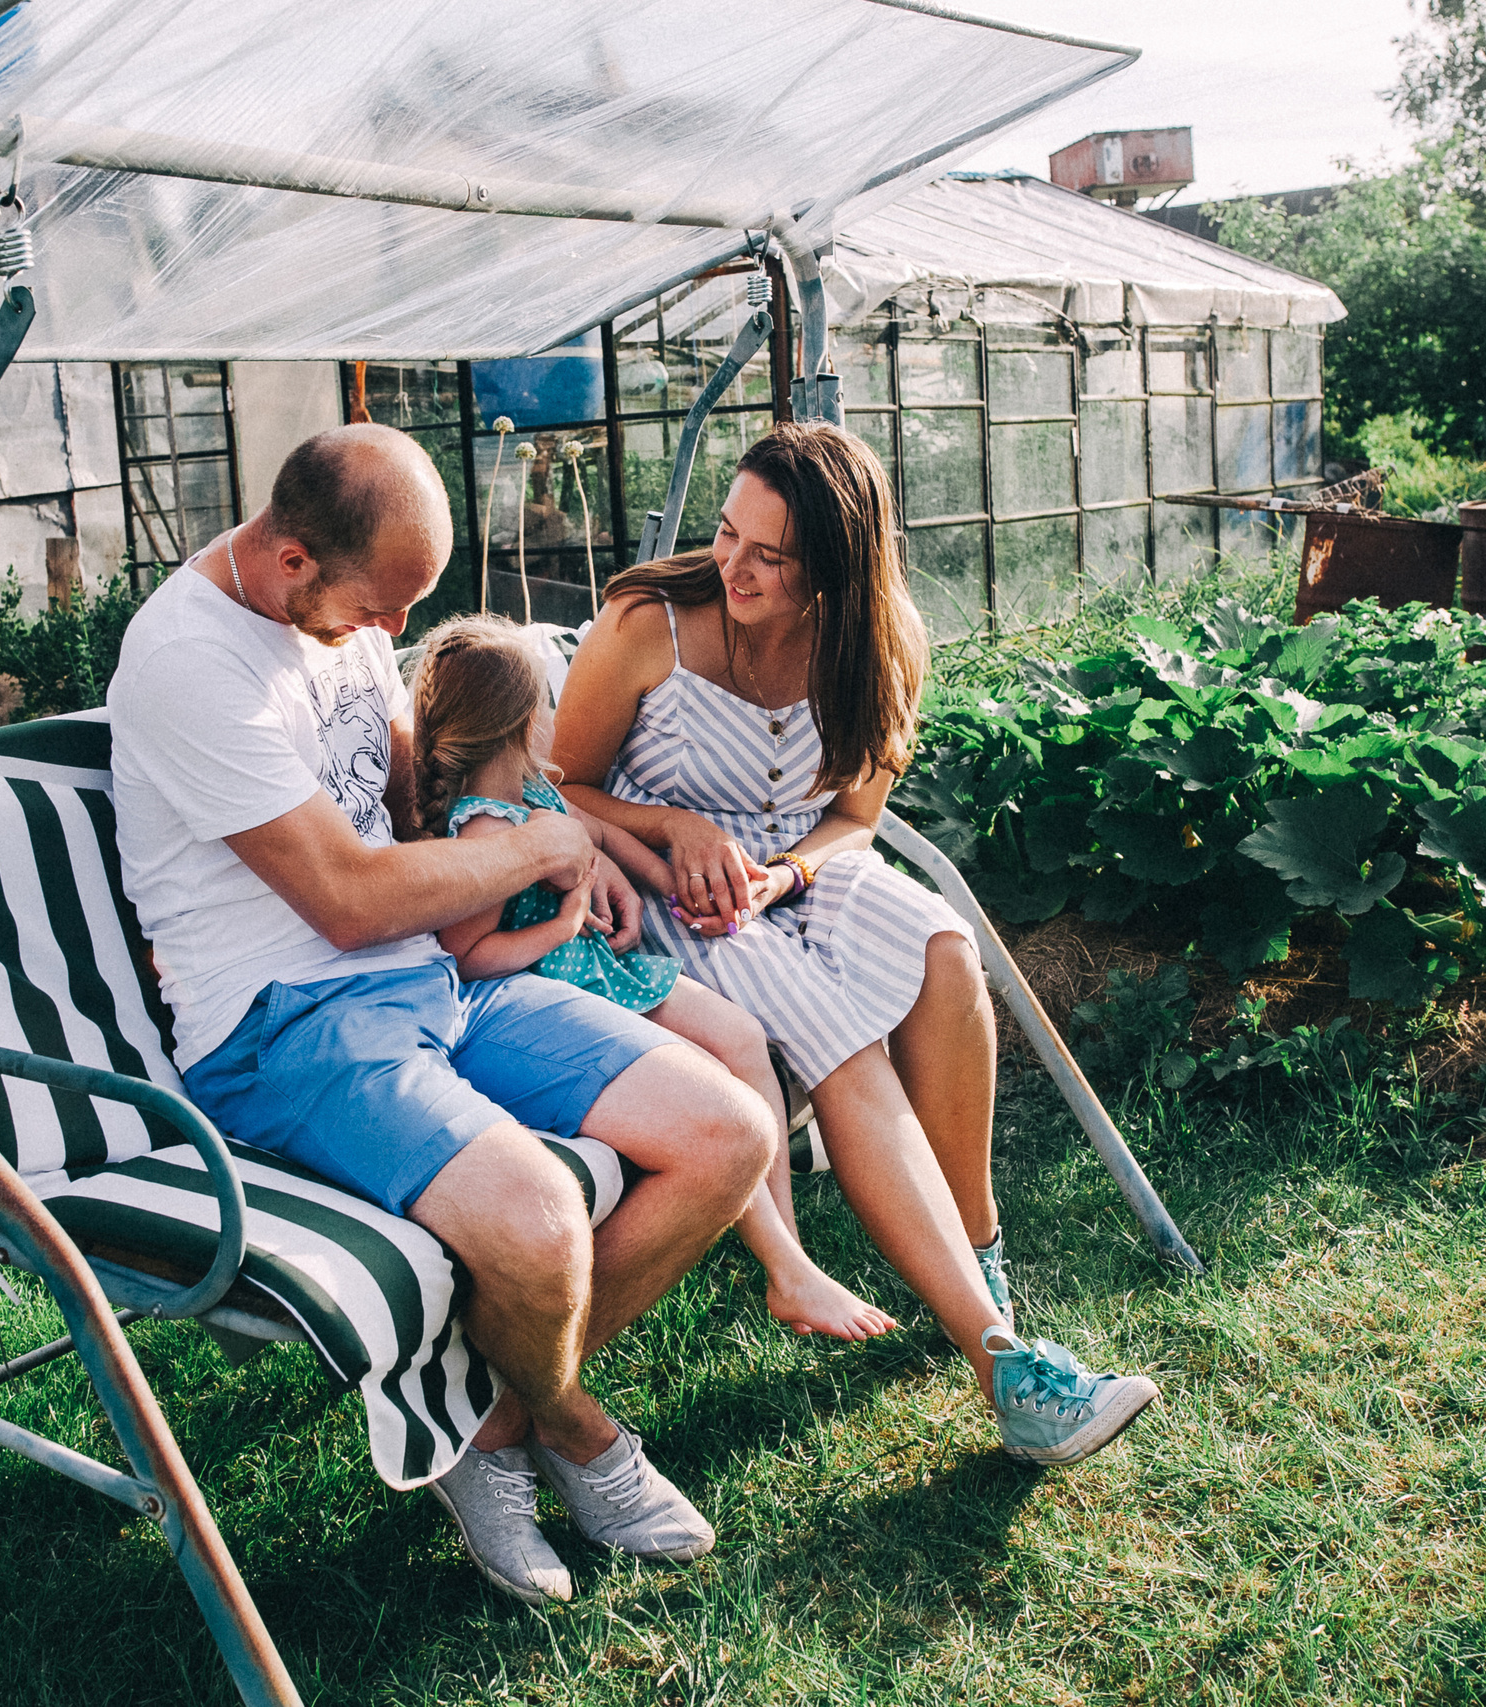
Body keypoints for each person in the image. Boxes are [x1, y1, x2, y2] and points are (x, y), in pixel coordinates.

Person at [107, 424, 781, 1605]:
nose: (387, 640)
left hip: (439, 982)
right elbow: (352, 900)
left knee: (727, 1132)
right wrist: (535, 845)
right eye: (378, 612)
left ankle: (490, 1421)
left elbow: (432, 795)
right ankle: (575, 1433)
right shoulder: (187, 663)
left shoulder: (342, 616)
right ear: (292, 560)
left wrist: (580, 852)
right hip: (284, 1023)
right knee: (534, 1224)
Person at [550, 421, 1159, 1467]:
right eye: (727, 533)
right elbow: (558, 784)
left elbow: (854, 820)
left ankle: (975, 1258)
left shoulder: (883, 641)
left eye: (768, 555)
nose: (731, 565)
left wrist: (788, 872)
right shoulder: (648, 623)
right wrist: (676, 829)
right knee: (841, 1039)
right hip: (675, 897)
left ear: (834, 567)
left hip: (795, 875)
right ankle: (1001, 1361)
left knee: (941, 948)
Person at [407, 612, 894, 1343]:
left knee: (742, 1036)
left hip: (605, 970)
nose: (553, 716)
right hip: (548, 994)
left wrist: (673, 883)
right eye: (546, 702)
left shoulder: (538, 792)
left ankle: (788, 1255)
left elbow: (601, 834)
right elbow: (468, 953)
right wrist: (557, 928)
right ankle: (785, 1266)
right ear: (518, 720)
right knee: (710, 1073)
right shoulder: (483, 831)